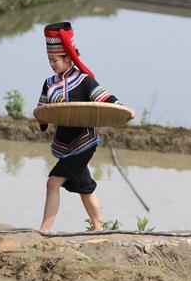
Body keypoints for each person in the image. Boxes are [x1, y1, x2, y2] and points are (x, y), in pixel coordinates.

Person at [37, 22, 130, 233]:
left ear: (68, 58)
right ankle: (99, 227)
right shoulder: (49, 83)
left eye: (55, 60)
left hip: (83, 143)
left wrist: (120, 107)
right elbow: (43, 108)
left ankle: (44, 231)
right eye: (50, 60)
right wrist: (42, 120)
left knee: (53, 182)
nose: (52, 64)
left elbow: (104, 97)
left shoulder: (84, 81)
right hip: (64, 142)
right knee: (84, 188)